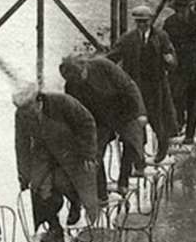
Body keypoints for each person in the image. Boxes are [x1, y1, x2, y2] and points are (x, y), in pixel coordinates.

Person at [12, 83, 98, 242]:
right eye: (24, 112)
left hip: (70, 148)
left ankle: (75, 202)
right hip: (43, 150)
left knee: (63, 182)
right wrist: (23, 174)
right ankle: (54, 226)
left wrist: (88, 152)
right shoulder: (22, 115)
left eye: (30, 109)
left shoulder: (62, 102)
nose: (27, 115)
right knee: (38, 186)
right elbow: (21, 144)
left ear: (39, 100)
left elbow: (87, 122)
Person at [60, 54, 147, 199]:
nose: (79, 81)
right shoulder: (71, 86)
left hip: (123, 107)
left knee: (132, 141)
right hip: (98, 117)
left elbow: (129, 86)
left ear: (84, 68)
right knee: (94, 153)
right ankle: (102, 194)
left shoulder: (103, 65)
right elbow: (74, 113)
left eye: (80, 77)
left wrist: (141, 113)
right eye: (74, 80)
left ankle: (123, 180)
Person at [107, 4, 178, 163]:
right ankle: (139, 158)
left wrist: (170, 60)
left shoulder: (161, 36)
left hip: (155, 85)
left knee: (157, 118)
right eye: (139, 22)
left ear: (151, 20)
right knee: (136, 121)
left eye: (145, 21)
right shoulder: (128, 39)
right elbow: (113, 56)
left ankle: (162, 146)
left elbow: (172, 58)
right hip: (135, 86)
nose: (142, 25)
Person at [162, 0, 196, 143]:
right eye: (178, 9)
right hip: (178, 68)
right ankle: (179, 123)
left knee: (194, 101)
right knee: (176, 98)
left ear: (189, 7)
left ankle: (190, 135)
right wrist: (168, 57)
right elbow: (165, 43)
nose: (181, 11)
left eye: (183, 8)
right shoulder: (170, 22)